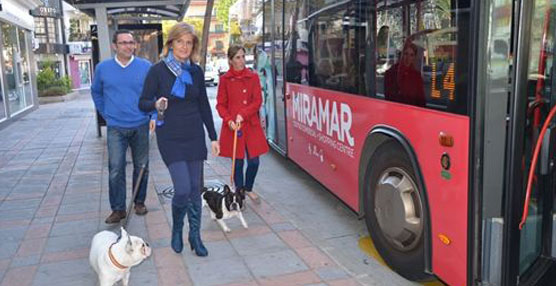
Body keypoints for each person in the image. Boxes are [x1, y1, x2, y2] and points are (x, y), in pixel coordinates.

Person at [138, 23, 219, 256]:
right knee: (182, 188)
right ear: (171, 43)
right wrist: (154, 104)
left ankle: (195, 236)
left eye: (189, 42)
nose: (184, 46)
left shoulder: (196, 71)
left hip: (194, 135)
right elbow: (142, 102)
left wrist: (213, 137)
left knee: (195, 189)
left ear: (193, 45)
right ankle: (177, 230)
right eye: (180, 41)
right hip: (170, 136)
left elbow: (203, 104)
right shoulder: (157, 71)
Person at [91, 30, 153, 224]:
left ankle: (139, 202)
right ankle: (118, 209)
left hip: (141, 124)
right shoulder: (103, 68)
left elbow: (153, 93)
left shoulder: (145, 67)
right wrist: (106, 115)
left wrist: (152, 115)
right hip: (116, 127)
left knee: (142, 166)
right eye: (124, 43)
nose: (128, 46)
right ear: (115, 46)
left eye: (131, 42)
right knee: (116, 168)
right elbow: (96, 93)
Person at [216, 45, 269, 204]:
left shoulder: (252, 77)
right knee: (238, 162)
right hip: (234, 127)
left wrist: (243, 114)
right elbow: (220, 104)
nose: (241, 60)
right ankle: (239, 194)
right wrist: (229, 120)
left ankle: (248, 188)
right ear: (230, 60)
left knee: (254, 161)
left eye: (243, 57)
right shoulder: (225, 79)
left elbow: (257, 101)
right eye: (237, 57)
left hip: (250, 124)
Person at [384, 41, 426, 107]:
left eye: (411, 55)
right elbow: (388, 97)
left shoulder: (416, 76)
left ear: (414, 57)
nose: (408, 58)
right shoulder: (390, 73)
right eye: (406, 54)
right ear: (401, 55)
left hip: (412, 113)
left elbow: (421, 100)